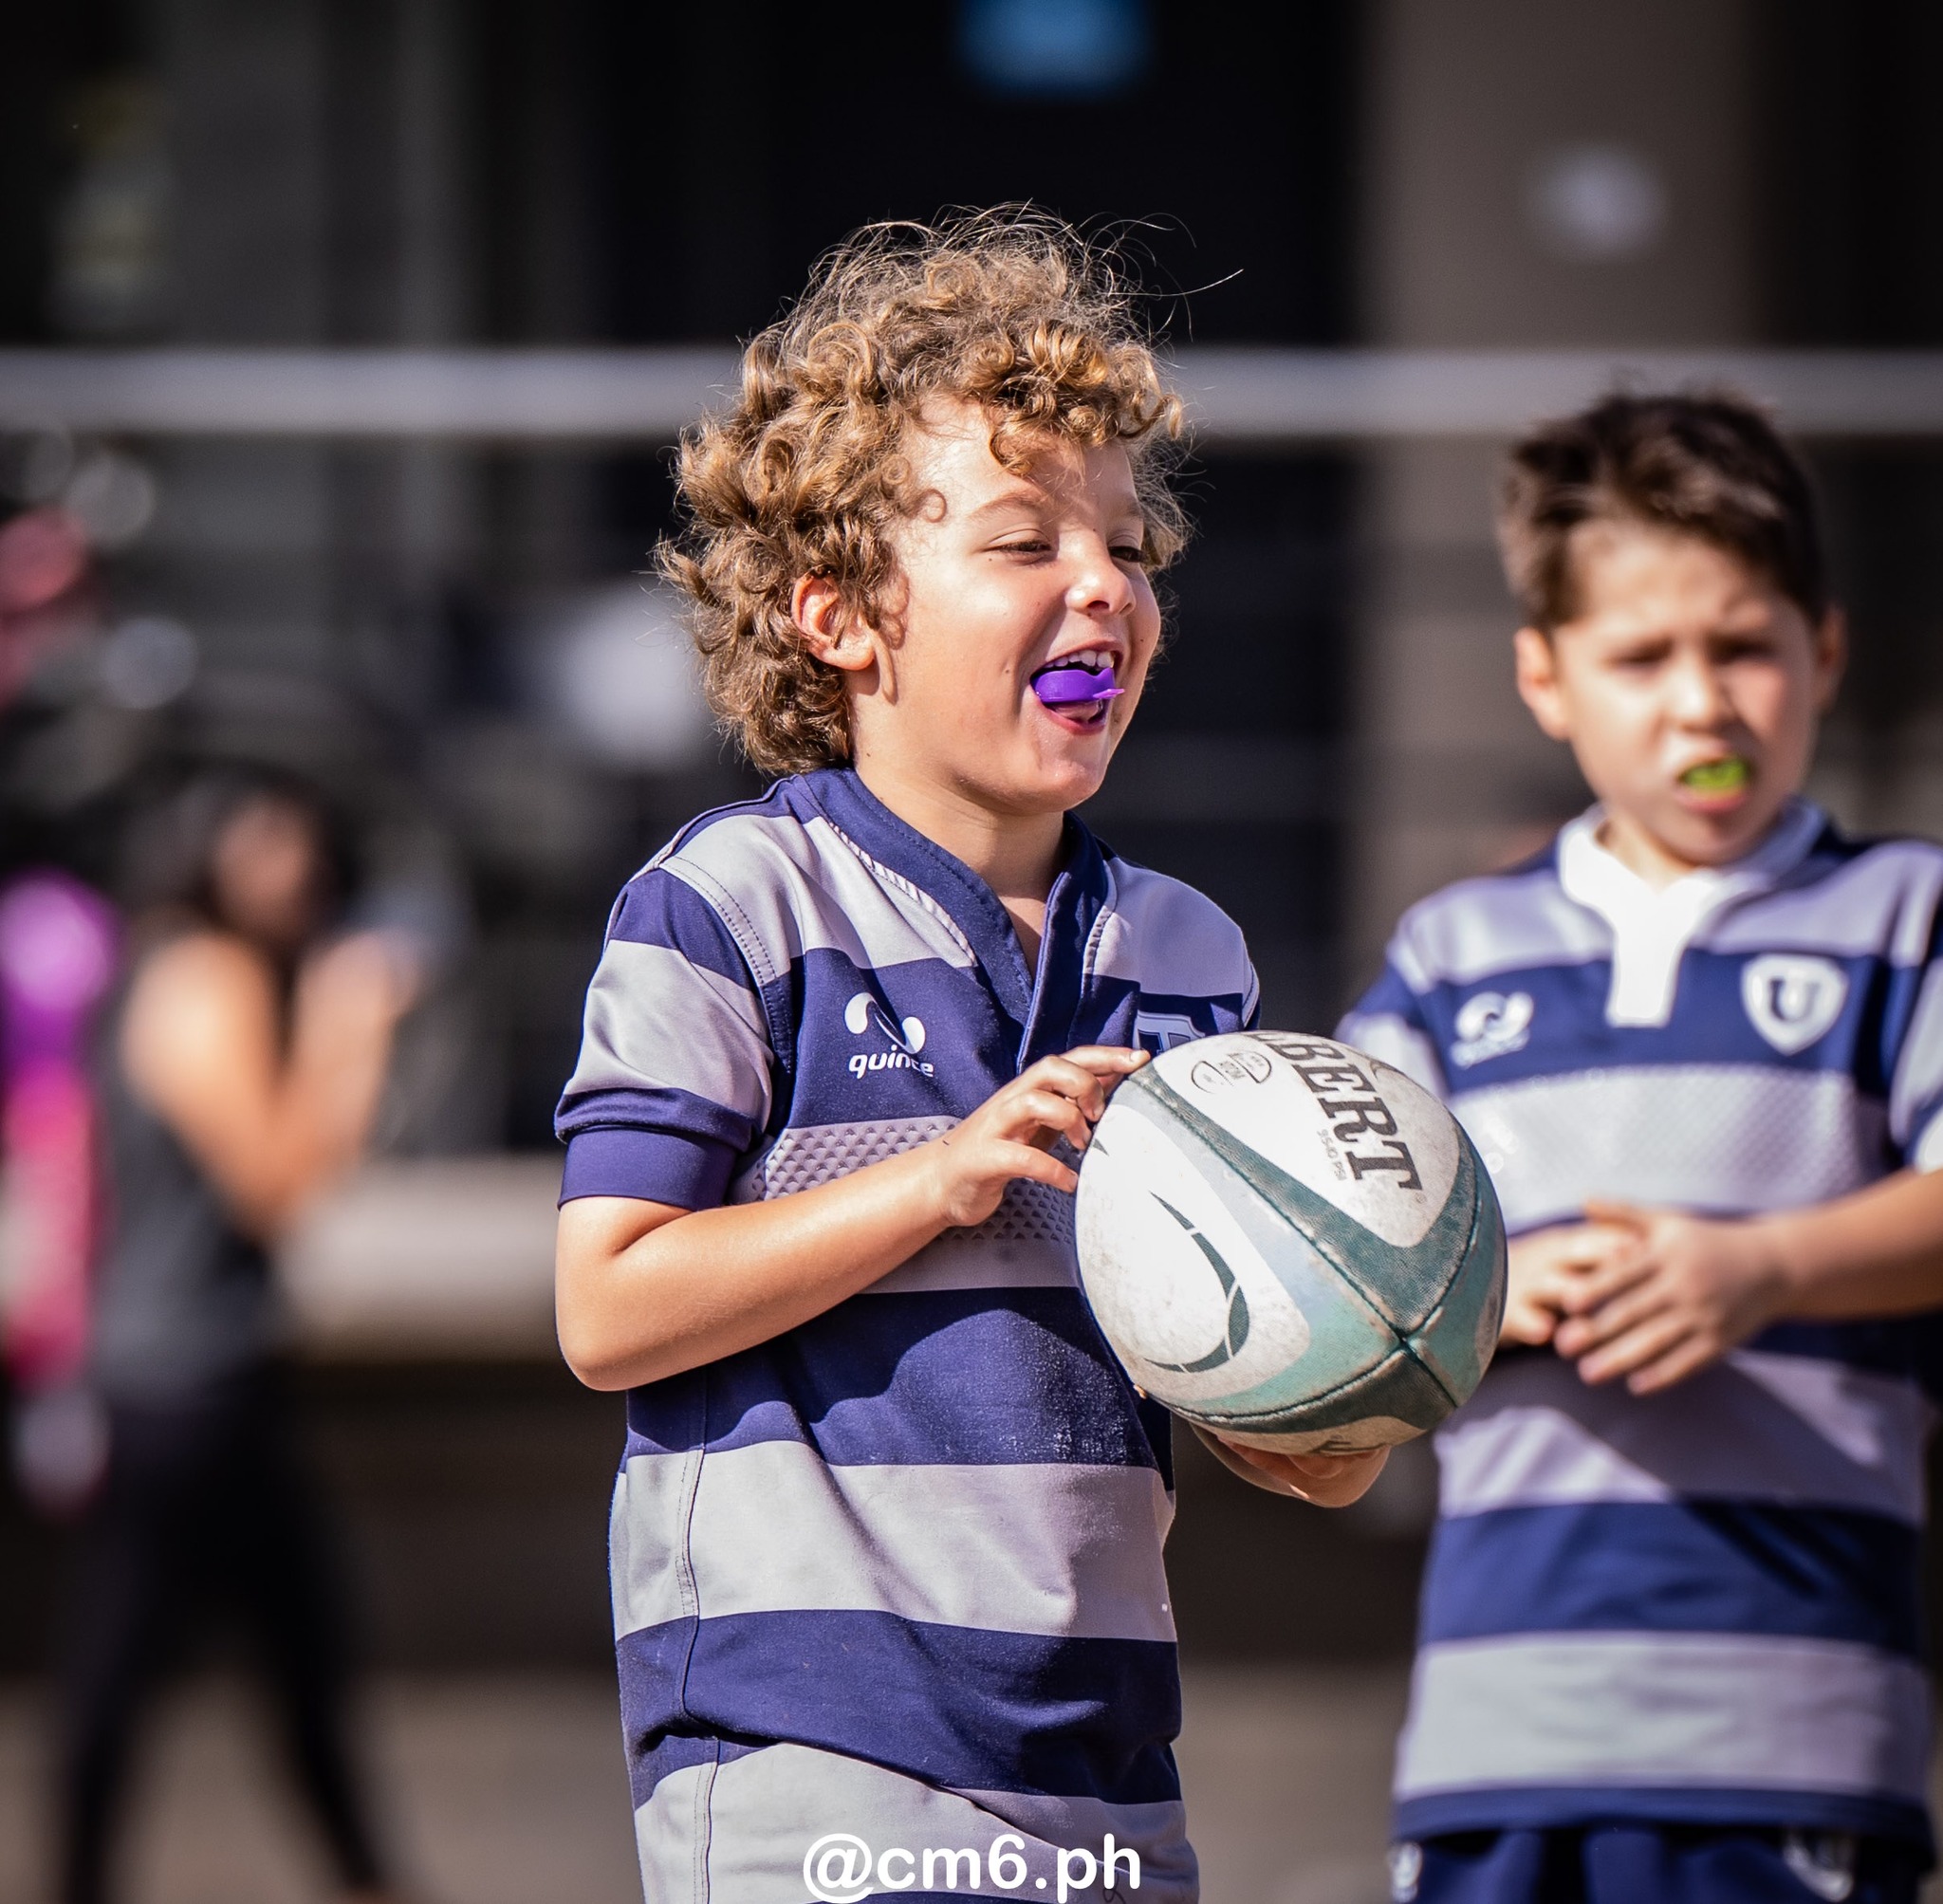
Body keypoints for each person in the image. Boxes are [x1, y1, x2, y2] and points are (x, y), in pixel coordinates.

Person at [553, 211, 1388, 1904]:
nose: (1102, 585)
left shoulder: (1182, 955)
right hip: (808, 1746)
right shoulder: (729, 905)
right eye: (1023, 541)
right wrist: (931, 1181)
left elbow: (1247, 1396)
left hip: (1104, 1757)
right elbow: (609, 1303)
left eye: (1128, 546)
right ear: (841, 616)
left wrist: (1328, 1398)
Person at [1340, 393, 1943, 1904]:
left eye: (1743, 647)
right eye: (1639, 657)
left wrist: (1767, 1266)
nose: (1702, 706)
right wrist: (1481, 1284)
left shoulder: (1905, 922)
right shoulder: (1450, 957)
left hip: (1801, 1738)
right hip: (1495, 1746)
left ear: (1827, 648)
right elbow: (1339, 1260)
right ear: (1544, 677)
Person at [61, 767, 414, 1904]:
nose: (292, 871)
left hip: (196, 1376)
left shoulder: (173, 967)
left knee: (269, 1657)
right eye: (264, 846)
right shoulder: (207, 977)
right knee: (144, 1666)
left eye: (303, 846)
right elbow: (277, 1180)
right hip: (186, 1385)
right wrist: (349, 1032)